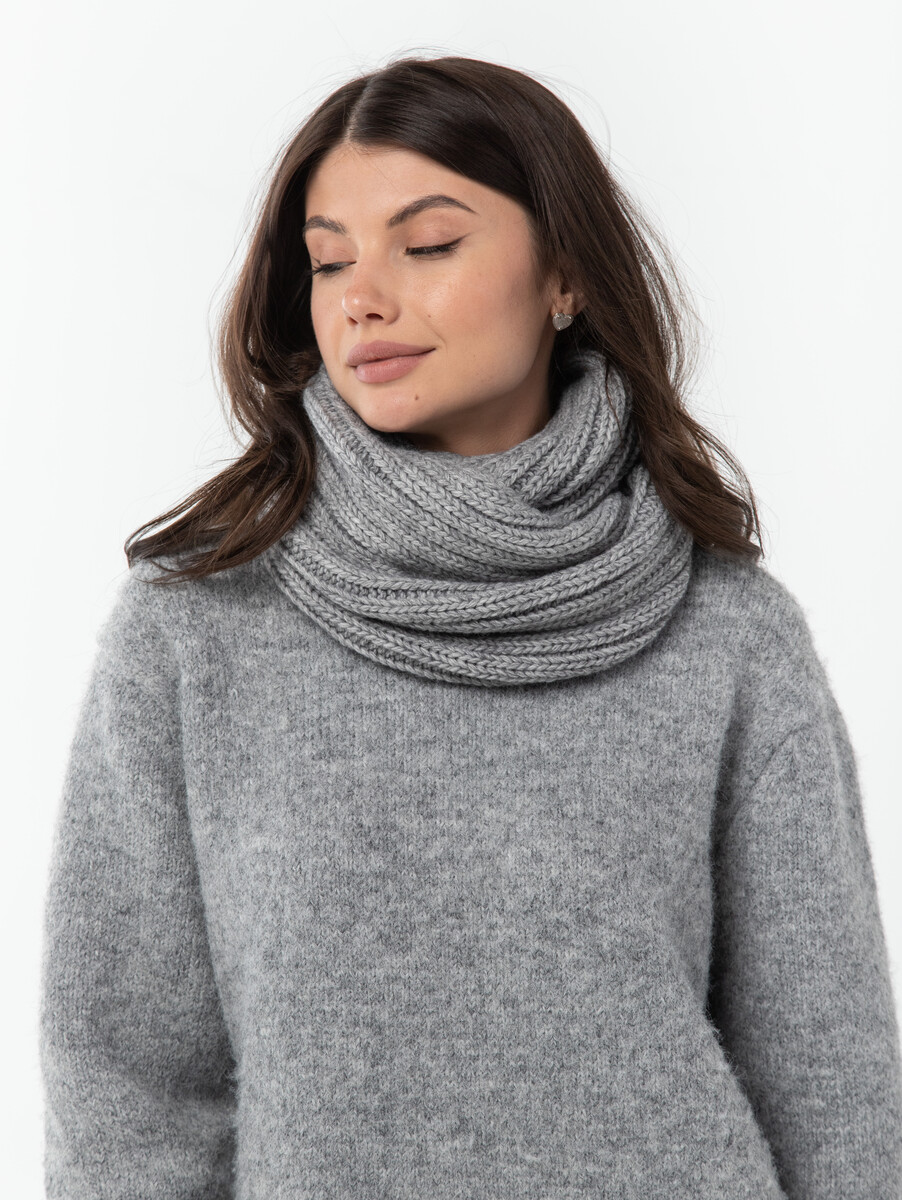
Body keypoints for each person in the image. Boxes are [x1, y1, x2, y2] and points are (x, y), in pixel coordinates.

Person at [39, 53, 902, 1199]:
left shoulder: (728, 633)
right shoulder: (194, 629)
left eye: (429, 244)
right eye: (328, 259)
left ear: (564, 276)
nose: (361, 296)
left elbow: (831, 1082)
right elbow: (125, 1091)